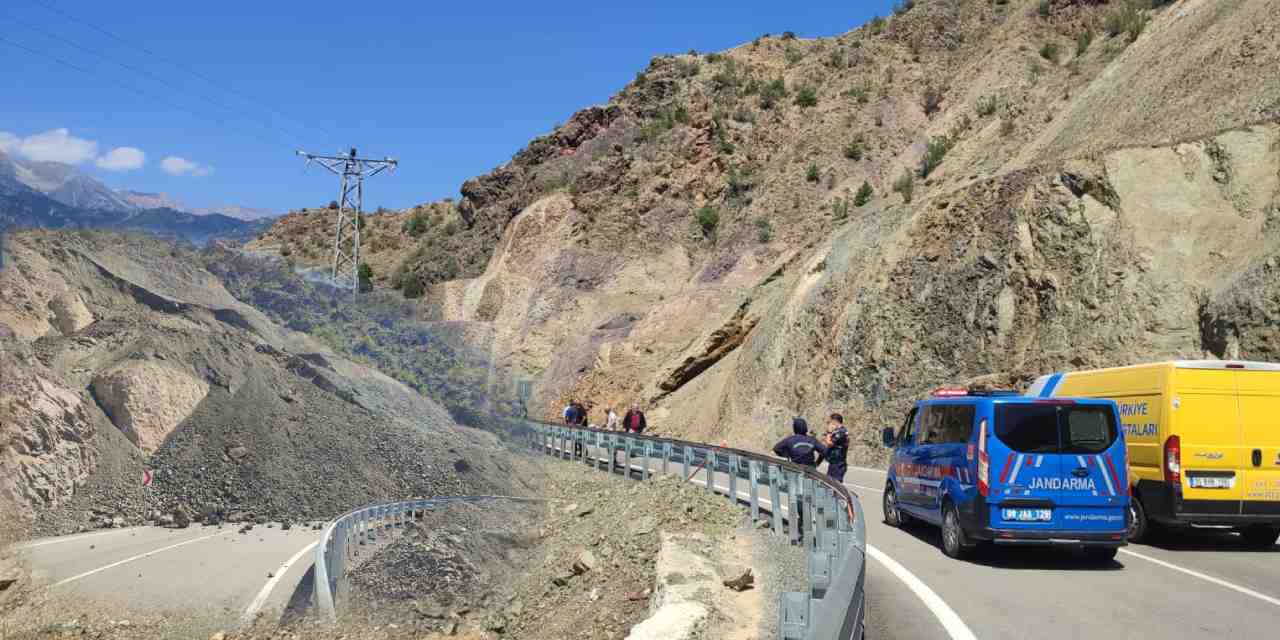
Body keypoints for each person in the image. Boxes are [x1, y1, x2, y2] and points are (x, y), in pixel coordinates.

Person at [823, 413, 849, 483]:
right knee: (829, 484)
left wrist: (829, 432)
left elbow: (829, 443)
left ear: (834, 421)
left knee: (835, 485)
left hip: (838, 464)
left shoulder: (841, 432)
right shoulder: (837, 431)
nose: (829, 424)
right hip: (834, 462)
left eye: (830, 422)